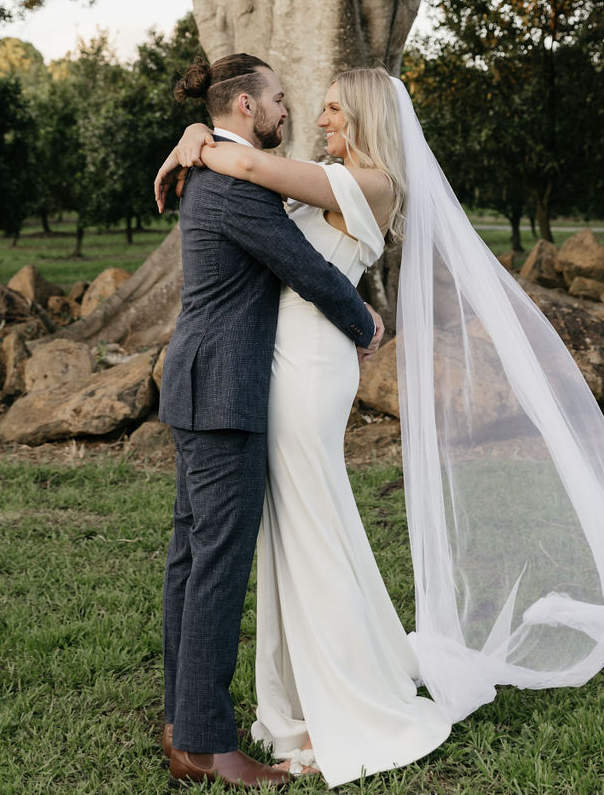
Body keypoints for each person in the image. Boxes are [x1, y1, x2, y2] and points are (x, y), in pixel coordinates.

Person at [157, 66, 604, 787]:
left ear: (370, 116)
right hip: (269, 373)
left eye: (337, 109)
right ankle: (288, 697)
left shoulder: (369, 185)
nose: (323, 117)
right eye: (318, 106)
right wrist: (197, 131)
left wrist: (199, 138)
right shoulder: (325, 172)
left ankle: (333, 692)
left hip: (305, 377)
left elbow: (246, 164)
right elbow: (245, 167)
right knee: (296, 531)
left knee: (309, 527)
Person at [157, 52, 385, 789]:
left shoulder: (210, 166)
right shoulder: (236, 178)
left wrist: (198, 134)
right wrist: (365, 321)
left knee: (191, 557)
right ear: (248, 109)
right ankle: (203, 742)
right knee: (215, 564)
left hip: (198, 382)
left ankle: (180, 717)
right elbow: (310, 271)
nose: (293, 112)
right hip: (228, 392)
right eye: (282, 100)